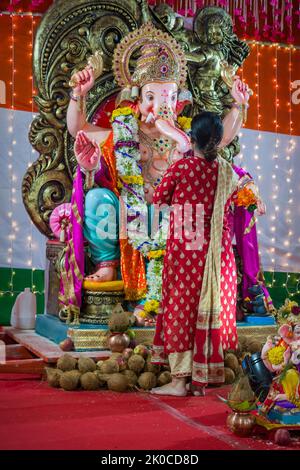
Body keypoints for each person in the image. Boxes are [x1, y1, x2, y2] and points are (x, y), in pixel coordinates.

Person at [151, 111, 260, 396]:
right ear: (217, 140)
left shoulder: (181, 169)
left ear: (192, 139)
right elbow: (239, 199)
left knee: (181, 310)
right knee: (209, 311)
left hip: (186, 251)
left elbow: (159, 199)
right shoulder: (226, 172)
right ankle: (203, 379)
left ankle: (179, 382)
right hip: (218, 255)